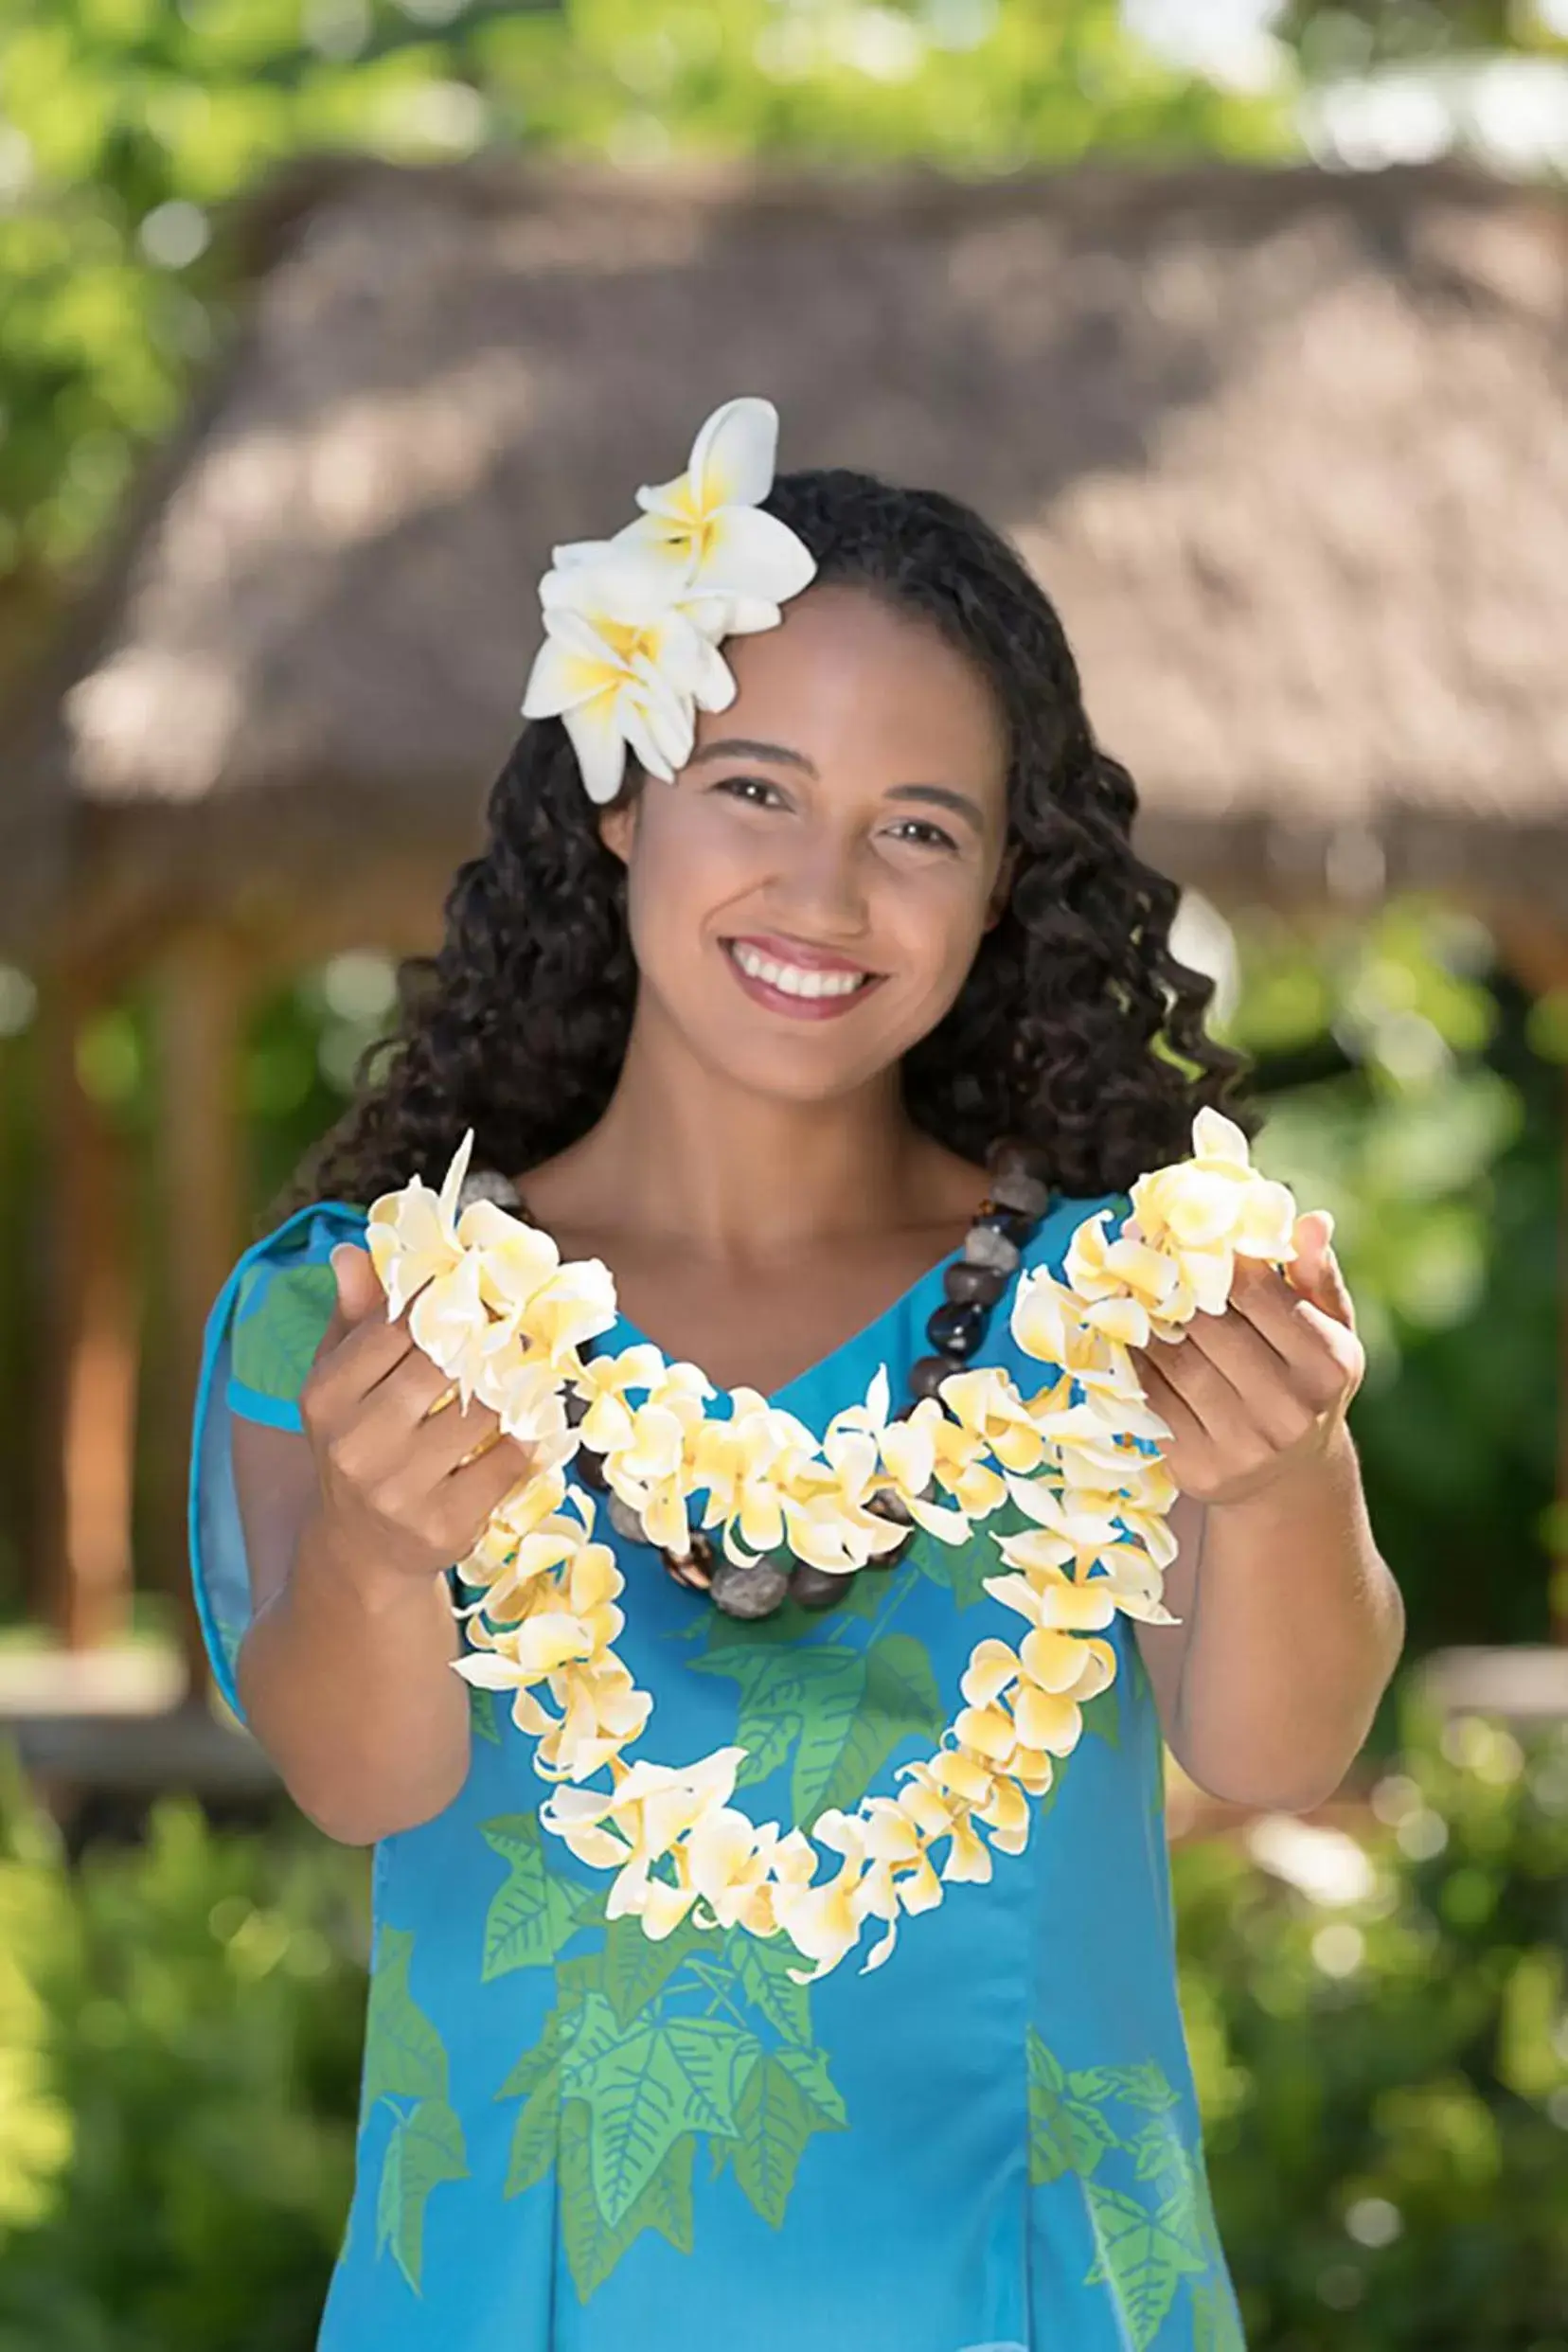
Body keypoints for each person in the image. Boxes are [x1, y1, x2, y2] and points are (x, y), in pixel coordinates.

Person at [188, 400, 1403, 2352]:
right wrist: (366, 1538)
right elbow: (362, 1777)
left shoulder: (1124, 1300)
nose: (826, 896)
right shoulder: (355, 1316)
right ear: (621, 794)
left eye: (916, 829)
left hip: (1035, 2296)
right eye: (755, 787)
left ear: (1002, 886)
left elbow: (1277, 1752)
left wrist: (1282, 1481)